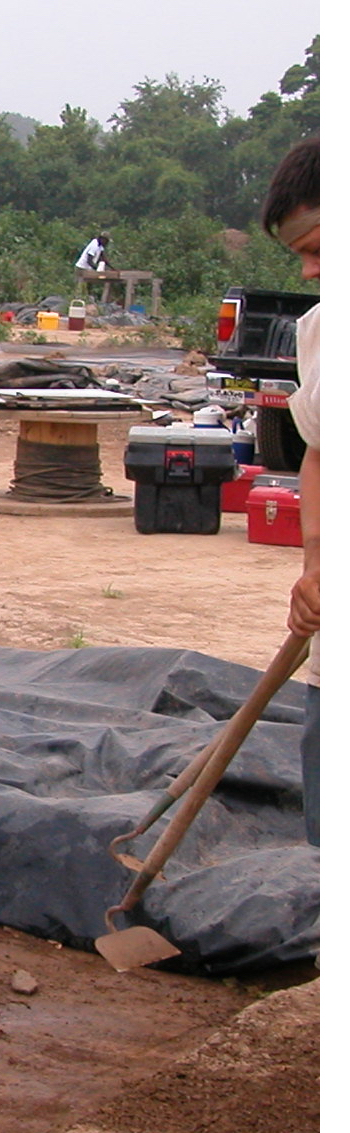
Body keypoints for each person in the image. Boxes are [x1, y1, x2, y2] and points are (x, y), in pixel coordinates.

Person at [260, 137, 320, 845]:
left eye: (317, 246)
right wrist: (314, 565)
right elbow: (318, 455)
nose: (308, 270)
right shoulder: (320, 333)